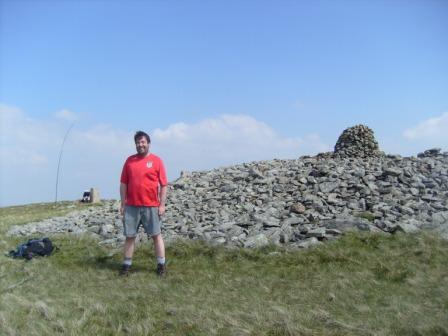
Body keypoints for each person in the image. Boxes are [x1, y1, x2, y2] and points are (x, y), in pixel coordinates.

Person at [119, 130, 168, 277]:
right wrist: (123, 204)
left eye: (143, 142)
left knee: (156, 235)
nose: (140, 145)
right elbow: (123, 184)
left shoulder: (157, 161)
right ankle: (126, 266)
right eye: (138, 142)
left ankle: (161, 265)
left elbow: (164, 184)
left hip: (151, 206)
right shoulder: (129, 161)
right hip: (131, 206)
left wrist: (162, 205)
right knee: (130, 236)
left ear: (148, 143)